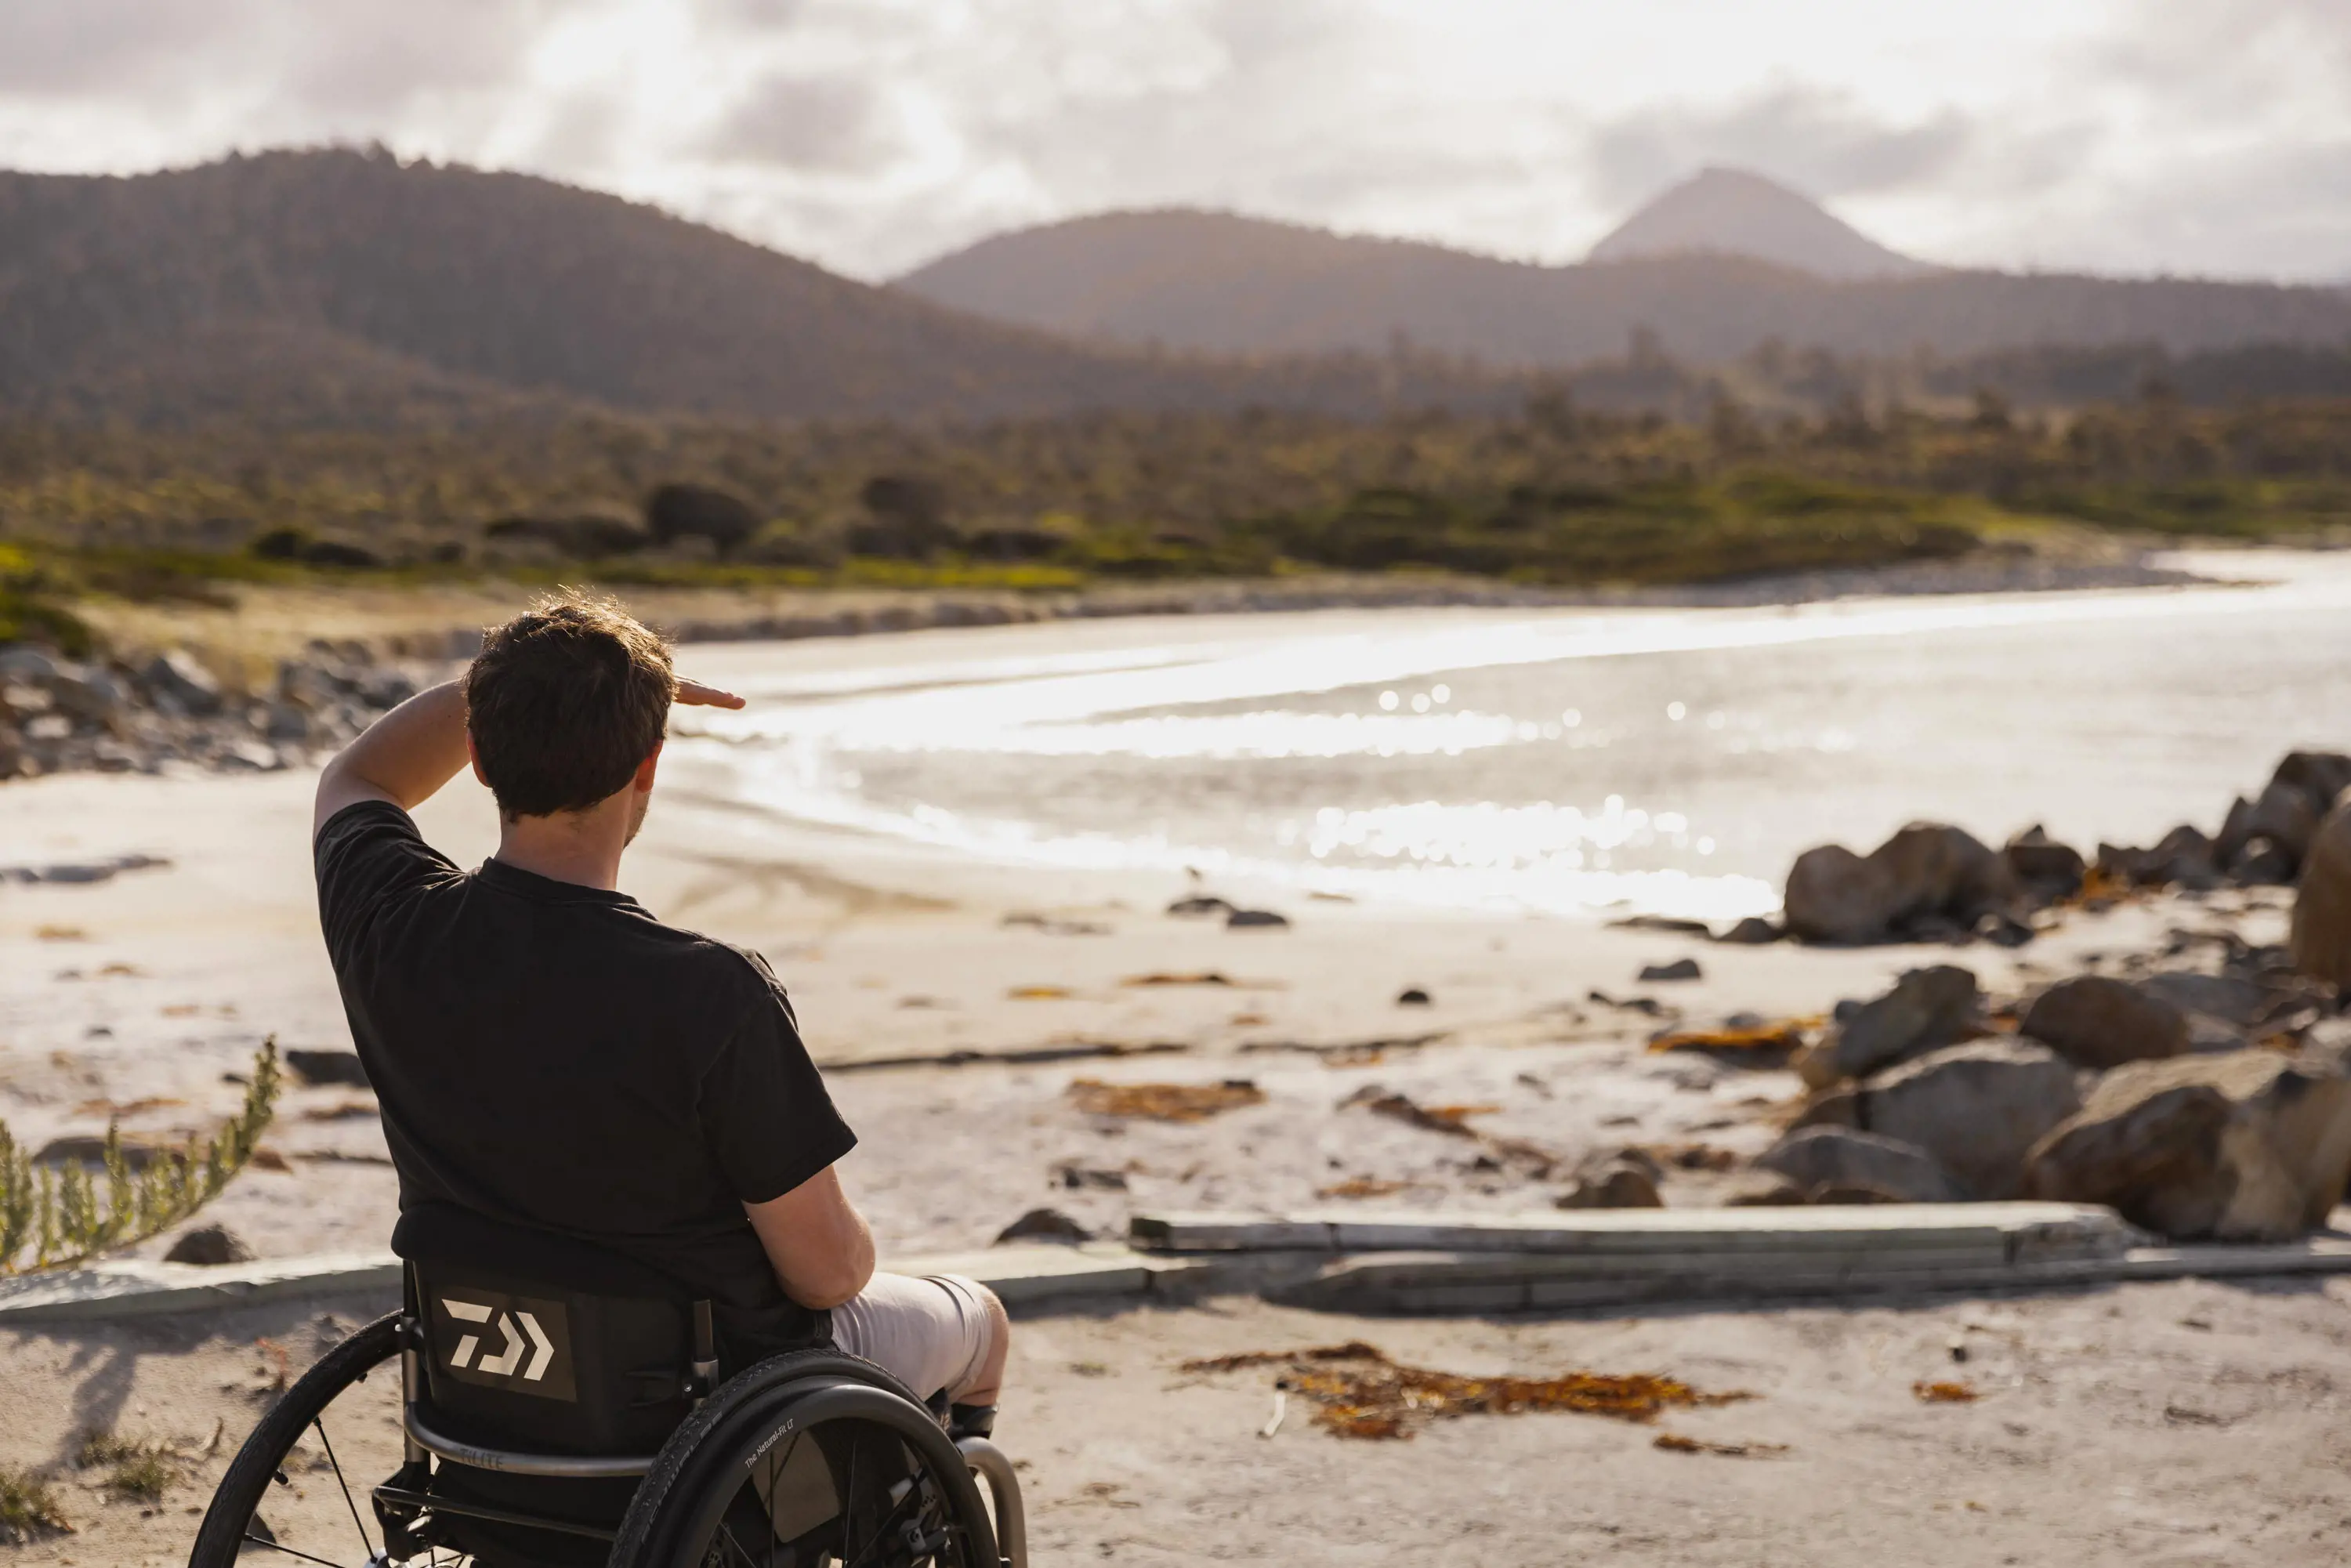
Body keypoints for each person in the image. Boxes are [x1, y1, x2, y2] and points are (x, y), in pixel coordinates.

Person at [310, 594, 1006, 1425]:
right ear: (648, 766)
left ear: (479, 758)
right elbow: (825, 1278)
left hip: (487, 1393)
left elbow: (357, 775)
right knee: (979, 1322)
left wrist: (519, 689)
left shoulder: (392, 925)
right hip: (707, 1407)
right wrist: (587, 691)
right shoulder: (711, 992)